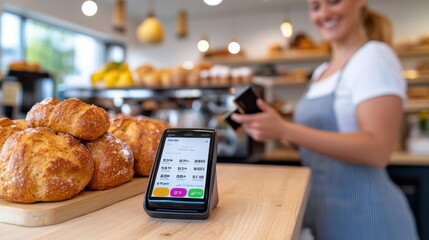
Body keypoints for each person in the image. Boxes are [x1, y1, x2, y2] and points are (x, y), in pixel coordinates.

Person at [231, 0, 419, 239]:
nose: (324, 13)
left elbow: (378, 149)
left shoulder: (374, 56)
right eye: (315, 6)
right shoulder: (321, 72)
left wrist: (287, 130)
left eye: (333, 2)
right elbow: (312, 145)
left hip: (368, 217)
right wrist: (273, 127)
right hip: (325, 217)